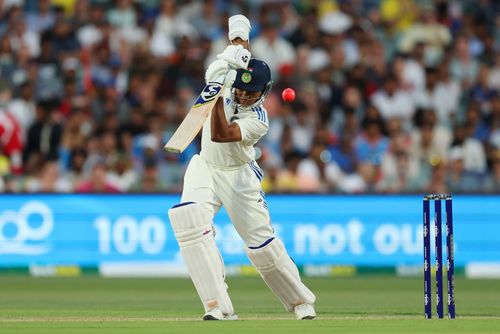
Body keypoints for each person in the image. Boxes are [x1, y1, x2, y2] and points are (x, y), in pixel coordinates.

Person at [167, 47, 316, 320]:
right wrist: (225, 66)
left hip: (239, 176)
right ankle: (217, 306)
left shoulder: (259, 119)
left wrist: (214, 87)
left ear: (265, 91)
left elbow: (223, 134)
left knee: (262, 246)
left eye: (252, 92)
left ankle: (300, 301)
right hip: (205, 166)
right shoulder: (228, 85)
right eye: (241, 90)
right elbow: (236, 42)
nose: (244, 96)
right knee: (189, 221)